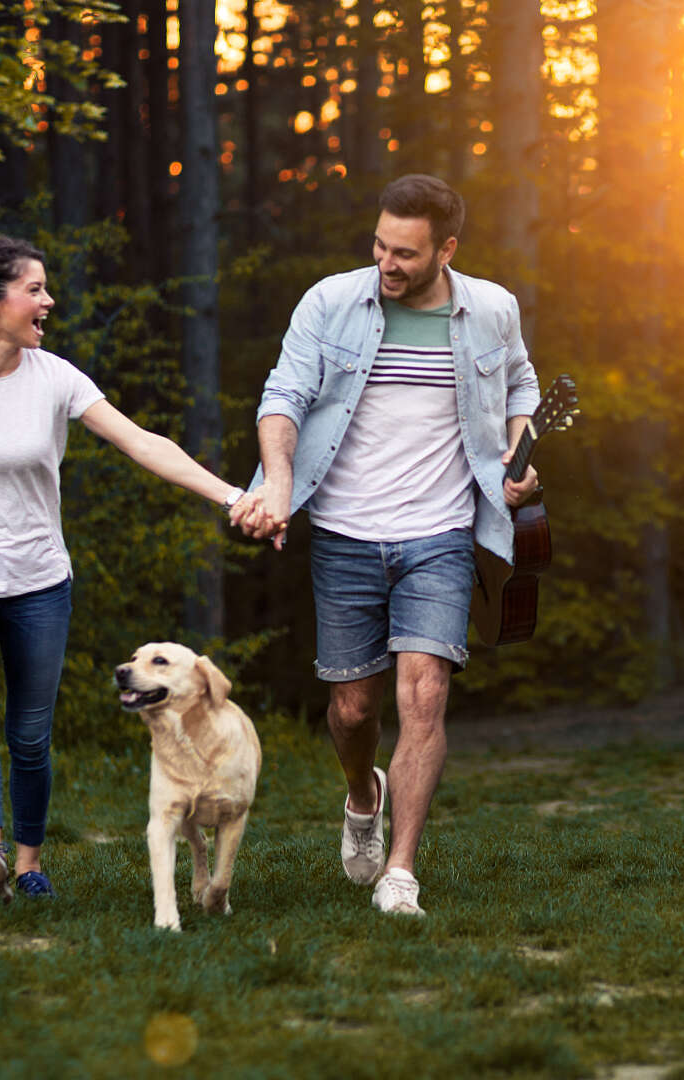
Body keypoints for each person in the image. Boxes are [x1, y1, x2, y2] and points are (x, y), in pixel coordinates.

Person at [0, 211, 265, 904]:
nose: (48, 303)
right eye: (34, 291)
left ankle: (30, 864)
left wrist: (229, 497)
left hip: (40, 577)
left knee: (31, 734)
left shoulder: (56, 378)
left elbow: (141, 442)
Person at [241, 174, 541, 916]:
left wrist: (520, 465)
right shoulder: (331, 302)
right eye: (380, 245)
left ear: (447, 249)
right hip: (344, 534)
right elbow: (283, 398)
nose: (387, 262)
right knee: (351, 711)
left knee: (426, 696)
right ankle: (361, 792)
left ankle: (400, 873)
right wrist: (277, 486)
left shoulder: (493, 310)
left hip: (440, 534)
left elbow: (522, 390)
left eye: (405, 252)